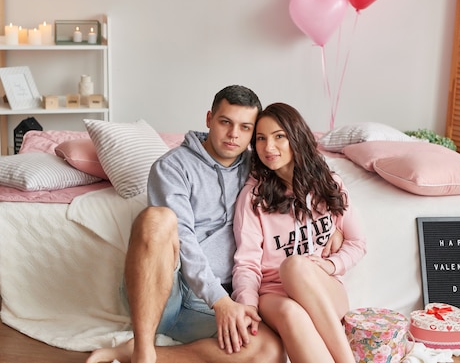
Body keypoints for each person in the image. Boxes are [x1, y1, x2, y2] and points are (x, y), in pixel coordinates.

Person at [87, 87, 343, 363]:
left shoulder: (257, 167)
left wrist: (332, 224)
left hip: (215, 300)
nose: (234, 134)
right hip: (164, 292)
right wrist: (219, 301)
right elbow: (182, 238)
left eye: (245, 127)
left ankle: (140, 354)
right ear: (209, 119)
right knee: (156, 218)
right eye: (225, 122)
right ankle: (143, 351)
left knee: (268, 349)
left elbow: (306, 172)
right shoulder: (172, 167)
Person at [230, 102, 367, 363]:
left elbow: (357, 242)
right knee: (292, 311)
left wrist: (329, 265)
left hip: (322, 290)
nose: (269, 147)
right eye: (261, 139)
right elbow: (246, 263)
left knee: (295, 266)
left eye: (279, 136)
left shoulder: (329, 184)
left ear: (296, 136)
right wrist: (247, 305)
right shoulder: (253, 197)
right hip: (273, 294)